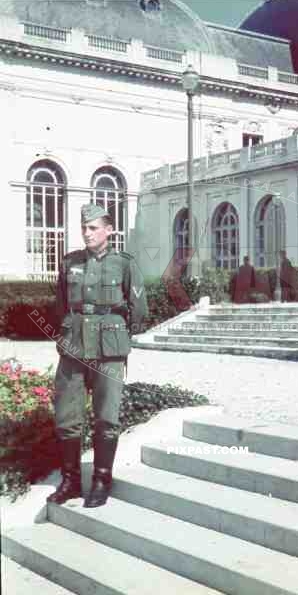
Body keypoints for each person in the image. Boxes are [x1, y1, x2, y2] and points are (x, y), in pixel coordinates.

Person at [47, 203, 148, 508]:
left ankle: (102, 479)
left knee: (107, 416)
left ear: (109, 230)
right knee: (67, 416)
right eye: (84, 228)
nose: (87, 233)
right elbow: (60, 305)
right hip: (73, 347)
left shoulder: (125, 264)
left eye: (93, 228)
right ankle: (71, 481)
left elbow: (139, 311)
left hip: (109, 349)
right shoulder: (70, 263)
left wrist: (115, 333)